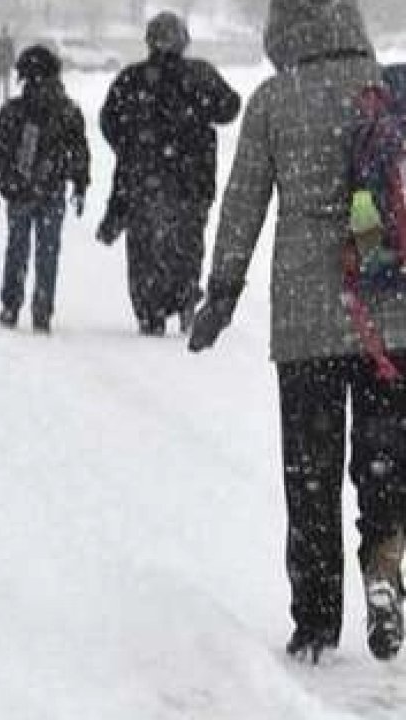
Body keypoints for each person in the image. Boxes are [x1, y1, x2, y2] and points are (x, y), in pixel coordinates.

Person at [188, 0, 406, 664]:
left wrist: (222, 291)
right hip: (387, 316)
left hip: (307, 320)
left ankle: (315, 623)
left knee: (310, 476)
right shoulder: (389, 87)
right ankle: (384, 565)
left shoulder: (276, 99)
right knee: (385, 462)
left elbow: (245, 200)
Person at [98, 11, 241, 336]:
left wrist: (129, 145)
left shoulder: (132, 79)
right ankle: (185, 294)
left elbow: (109, 121)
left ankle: (150, 311)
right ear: (183, 41)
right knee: (187, 242)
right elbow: (230, 107)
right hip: (193, 179)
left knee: (144, 247)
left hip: (142, 178)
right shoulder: (199, 75)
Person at [0, 45, 89, 334]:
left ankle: (11, 305)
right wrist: (79, 183)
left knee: (17, 247)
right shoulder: (68, 111)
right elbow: (80, 151)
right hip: (52, 190)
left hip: (19, 188)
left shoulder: (14, 110)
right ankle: (42, 308)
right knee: (47, 251)